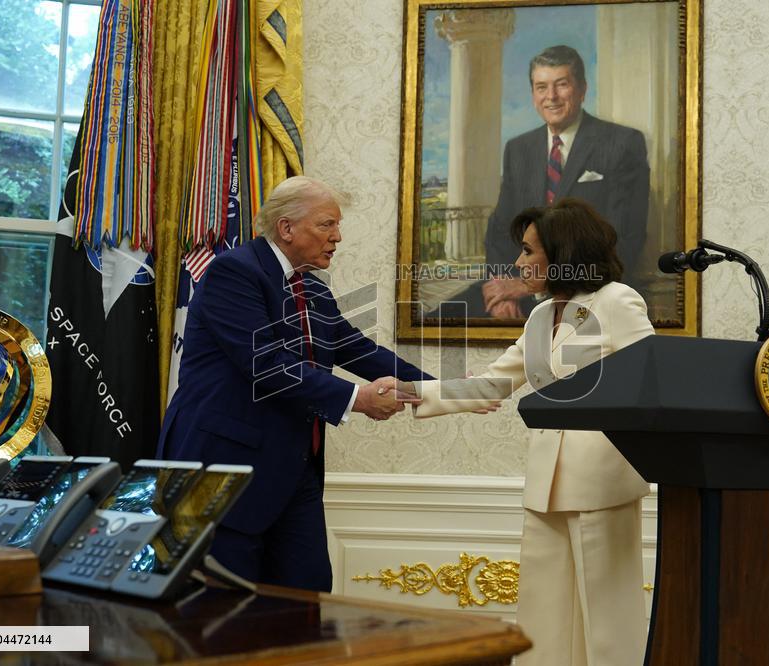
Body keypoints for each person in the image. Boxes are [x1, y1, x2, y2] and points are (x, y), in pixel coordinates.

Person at [406, 198, 653, 665]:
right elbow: (493, 383)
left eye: (527, 251)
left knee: (608, 618)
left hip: (602, 481)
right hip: (545, 484)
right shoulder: (541, 316)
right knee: (543, 615)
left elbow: (649, 381)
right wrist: (409, 392)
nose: (518, 263)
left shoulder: (616, 299)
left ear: (562, 254)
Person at [158, 176, 430, 592]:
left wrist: (437, 389)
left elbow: (354, 348)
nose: (337, 237)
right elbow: (266, 364)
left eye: (337, 226)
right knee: (218, 614)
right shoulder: (235, 272)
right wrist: (358, 399)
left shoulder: (313, 288)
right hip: (223, 472)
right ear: (286, 228)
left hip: (294, 470)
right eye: (327, 225)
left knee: (306, 598)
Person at [439, 44, 649, 320]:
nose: (551, 97)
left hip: (585, 292)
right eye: (541, 87)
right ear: (532, 94)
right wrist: (502, 288)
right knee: (436, 319)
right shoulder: (519, 149)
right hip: (518, 287)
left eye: (561, 85)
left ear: (582, 89)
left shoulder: (622, 143)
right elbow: (500, 230)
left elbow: (625, 239)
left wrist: (530, 286)